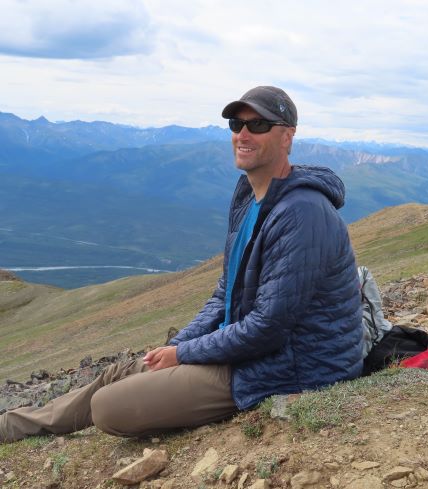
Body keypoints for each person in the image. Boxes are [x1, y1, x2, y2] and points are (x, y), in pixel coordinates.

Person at [0, 86, 363, 443]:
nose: (244, 134)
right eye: (236, 124)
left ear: (287, 136)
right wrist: (181, 344)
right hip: (250, 352)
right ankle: (13, 427)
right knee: (122, 371)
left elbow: (269, 326)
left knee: (108, 407)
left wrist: (184, 353)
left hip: (290, 368)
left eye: (259, 125)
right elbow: (226, 291)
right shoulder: (250, 196)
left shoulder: (302, 213)